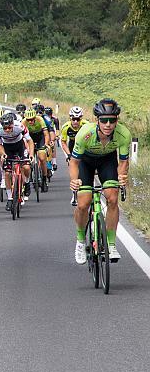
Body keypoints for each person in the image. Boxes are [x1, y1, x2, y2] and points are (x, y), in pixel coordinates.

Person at [69, 98, 130, 263]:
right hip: (85, 163)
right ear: (97, 120)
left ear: (117, 120)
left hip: (107, 161)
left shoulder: (123, 134)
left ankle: (111, 244)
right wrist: (74, 181)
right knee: (83, 203)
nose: (108, 124)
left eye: (112, 120)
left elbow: (123, 161)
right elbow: (74, 162)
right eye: (104, 120)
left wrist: (122, 177)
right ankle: (81, 241)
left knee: (112, 197)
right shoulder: (84, 133)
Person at [0, 113, 34, 212]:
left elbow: (30, 141)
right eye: (5, 128)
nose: (7, 130)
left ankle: (27, 182)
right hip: (7, 148)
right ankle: (10, 198)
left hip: (20, 146)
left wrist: (31, 154)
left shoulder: (19, 126)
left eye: (9, 127)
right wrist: (3, 153)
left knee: (26, 167)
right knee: (7, 173)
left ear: (13, 124)